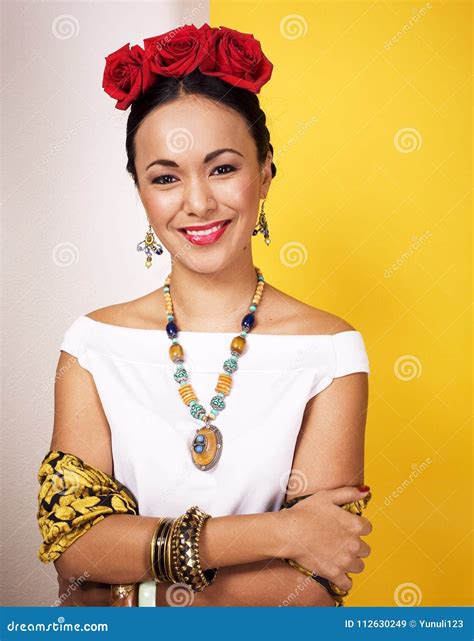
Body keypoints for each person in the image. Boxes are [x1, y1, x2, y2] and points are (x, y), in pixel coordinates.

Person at [38, 23, 373, 607]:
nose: (197, 203)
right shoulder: (92, 345)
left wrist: (130, 580)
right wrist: (279, 531)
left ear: (266, 171)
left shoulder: (331, 350)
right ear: (140, 192)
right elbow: (76, 552)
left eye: (222, 168)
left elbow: (310, 588)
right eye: (165, 177)